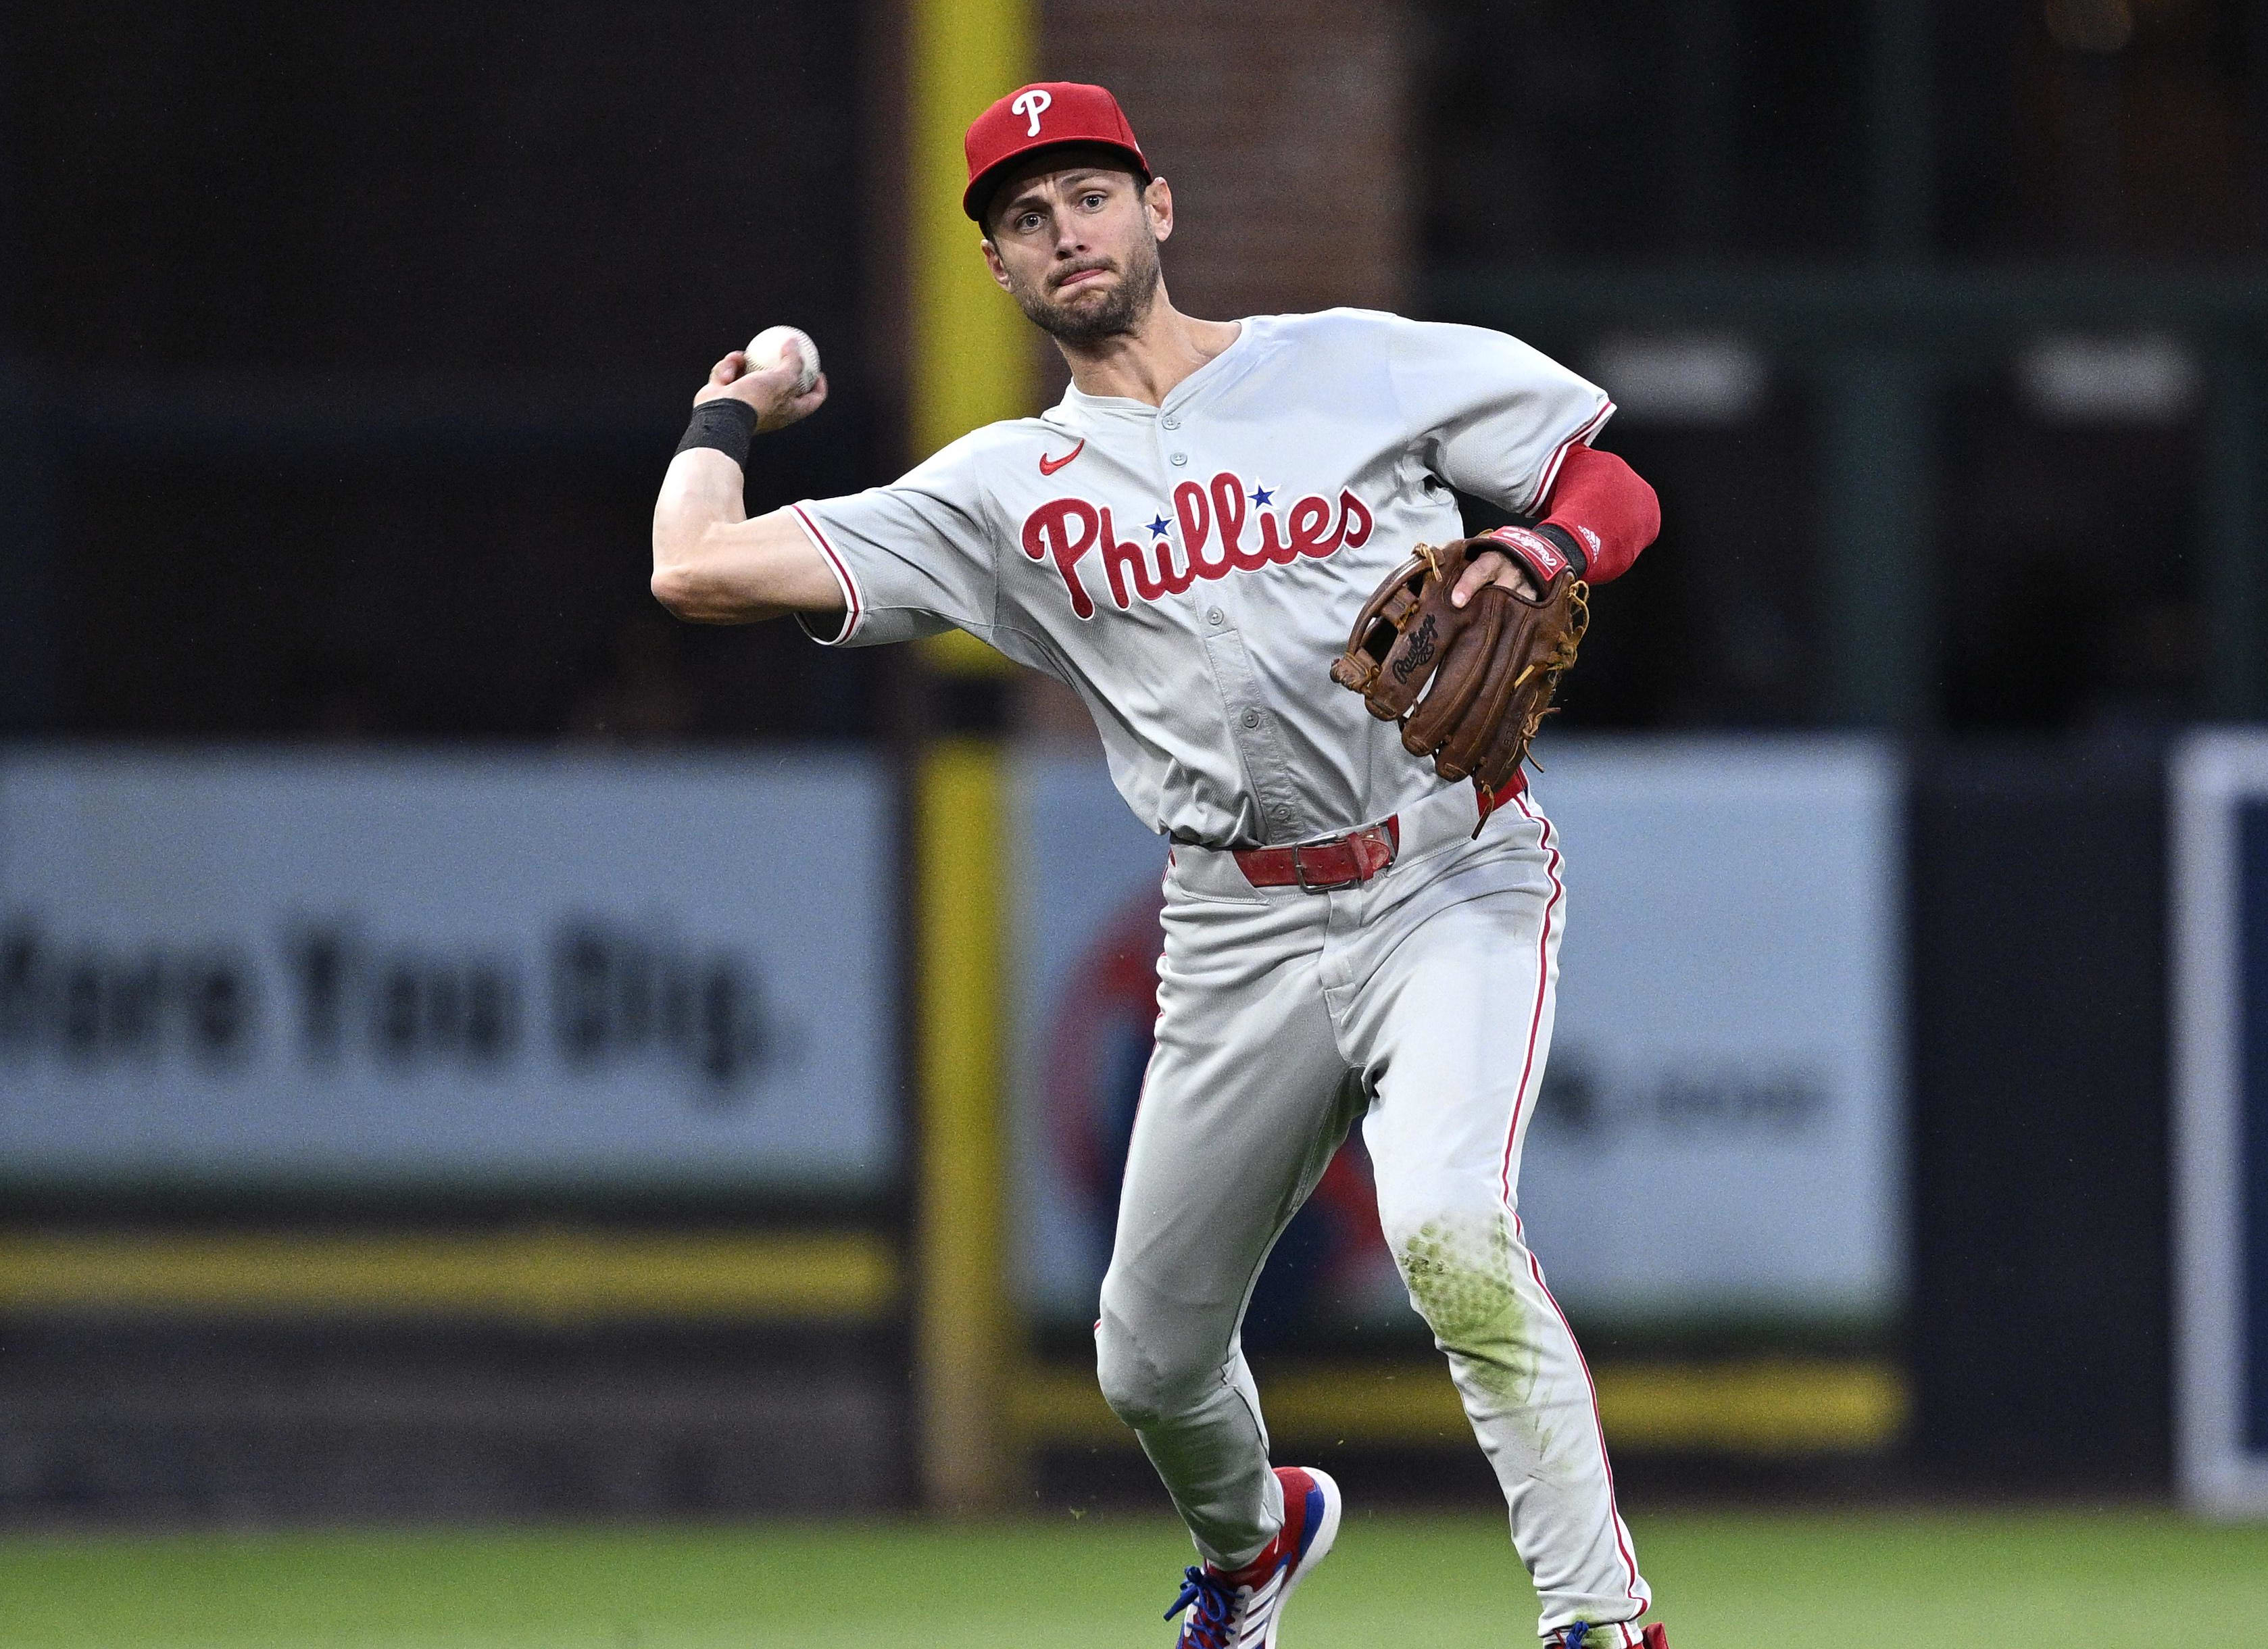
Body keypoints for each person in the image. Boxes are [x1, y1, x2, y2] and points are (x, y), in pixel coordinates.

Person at [647, 82, 1666, 1649]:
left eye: (1092, 196)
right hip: (1236, 926)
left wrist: (1542, 550)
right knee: (1148, 1358)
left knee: (1449, 1224)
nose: (1069, 231)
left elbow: (1611, 476)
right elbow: (692, 566)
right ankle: (1257, 1547)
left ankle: (1601, 1621)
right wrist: (734, 403)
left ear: (1160, 208)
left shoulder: (1345, 357)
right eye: (1027, 217)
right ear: (997, 266)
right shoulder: (999, 492)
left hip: (1446, 874)